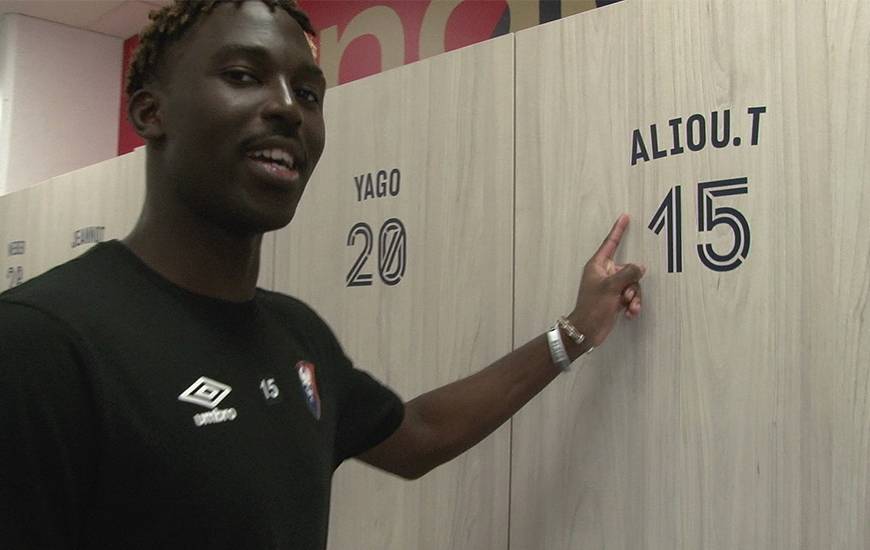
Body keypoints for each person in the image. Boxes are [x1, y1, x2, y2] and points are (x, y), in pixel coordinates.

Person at [0, 1, 645, 548]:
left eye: (308, 93)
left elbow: (418, 436)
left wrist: (576, 332)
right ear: (150, 113)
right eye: (244, 75)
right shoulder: (41, 342)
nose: (288, 109)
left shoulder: (295, 335)